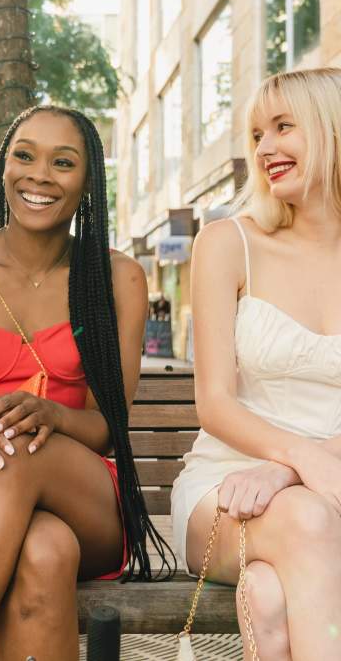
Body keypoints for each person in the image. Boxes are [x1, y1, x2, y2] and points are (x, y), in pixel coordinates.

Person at [0, 104, 173, 661]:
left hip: (89, 499)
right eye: (24, 156)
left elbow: (106, 429)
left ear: (87, 179)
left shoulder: (116, 277)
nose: (40, 175)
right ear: (4, 166)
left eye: (63, 162)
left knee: (17, 446)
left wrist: (49, 415)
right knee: (44, 551)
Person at [171, 67, 341, 660]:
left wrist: (291, 472)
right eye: (257, 135)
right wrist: (296, 462)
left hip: (325, 477)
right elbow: (214, 403)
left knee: (269, 594)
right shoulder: (228, 242)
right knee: (310, 521)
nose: (265, 148)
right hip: (227, 488)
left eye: (283, 127)